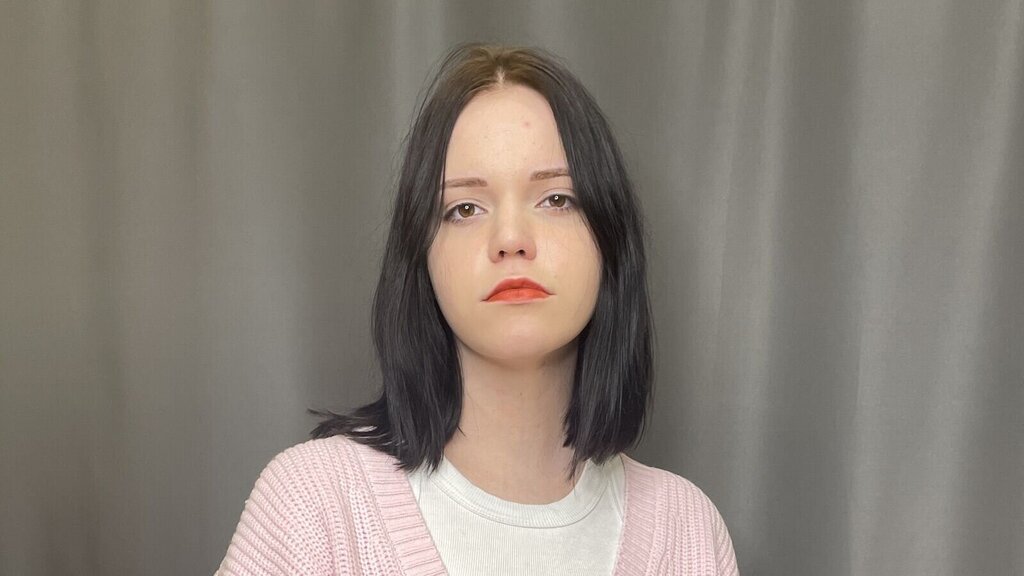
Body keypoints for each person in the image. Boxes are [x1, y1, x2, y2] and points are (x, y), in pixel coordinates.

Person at [216, 42, 739, 576]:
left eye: (556, 199)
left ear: (610, 238)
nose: (510, 239)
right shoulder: (315, 507)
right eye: (465, 208)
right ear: (420, 256)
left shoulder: (688, 532)